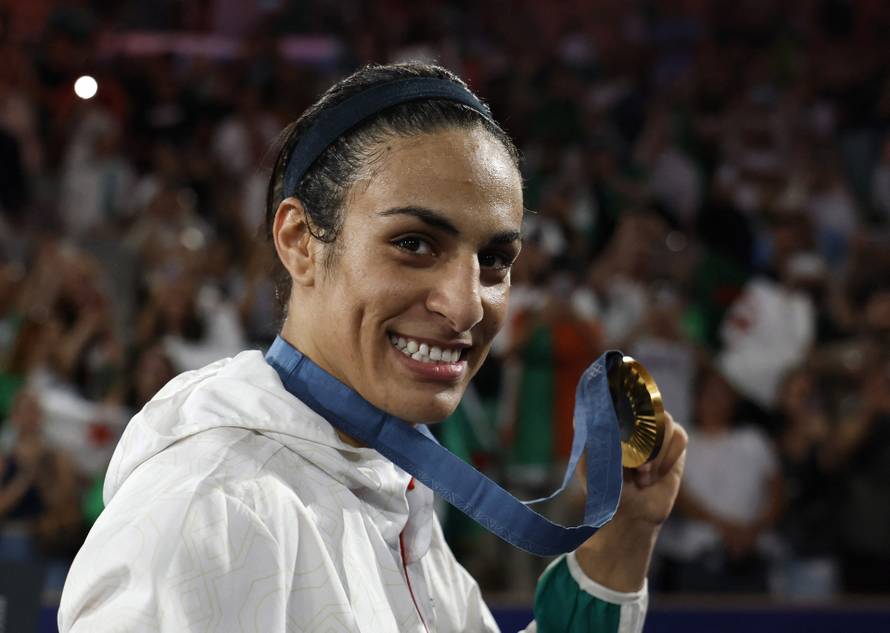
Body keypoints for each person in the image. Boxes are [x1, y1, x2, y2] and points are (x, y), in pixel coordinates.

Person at [58, 62, 687, 633]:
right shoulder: (211, 509)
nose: (467, 305)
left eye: (494, 260)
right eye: (414, 243)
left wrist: (624, 535)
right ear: (301, 241)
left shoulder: (382, 476)